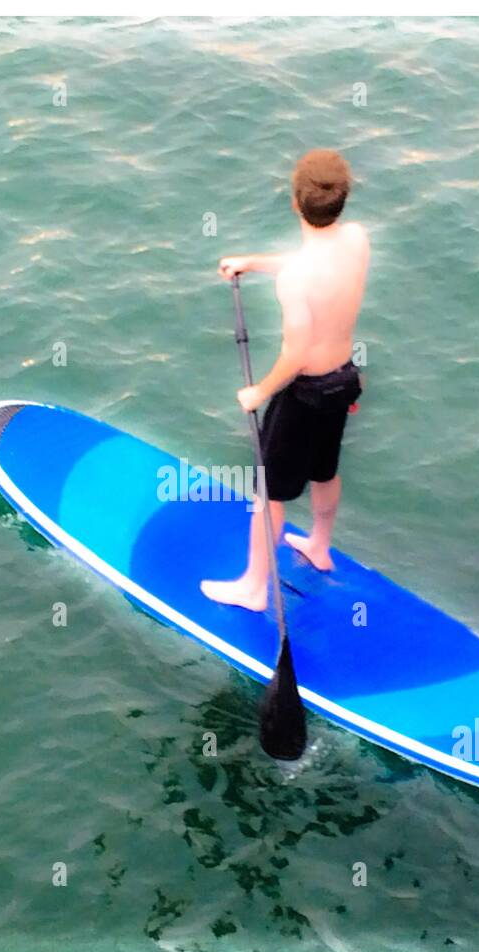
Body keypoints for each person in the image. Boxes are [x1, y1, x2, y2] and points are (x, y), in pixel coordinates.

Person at [201, 148, 370, 613]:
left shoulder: (295, 280)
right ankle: (319, 545)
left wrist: (259, 391)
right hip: (343, 383)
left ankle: (255, 587)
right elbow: (313, 260)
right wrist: (252, 262)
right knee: (325, 470)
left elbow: (294, 355)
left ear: (295, 203)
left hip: (304, 395)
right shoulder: (356, 239)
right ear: (343, 199)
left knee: (269, 494)